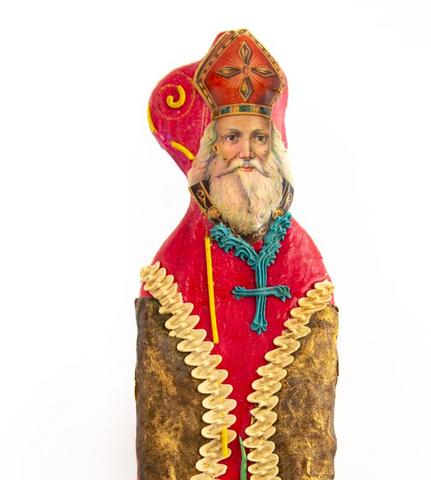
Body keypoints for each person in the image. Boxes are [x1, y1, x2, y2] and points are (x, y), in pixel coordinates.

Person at [136, 29, 339, 480]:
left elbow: (312, 408)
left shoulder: (304, 260)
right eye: (231, 137)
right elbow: (164, 412)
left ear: (275, 150)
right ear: (210, 151)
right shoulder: (173, 267)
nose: (246, 153)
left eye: (259, 138)